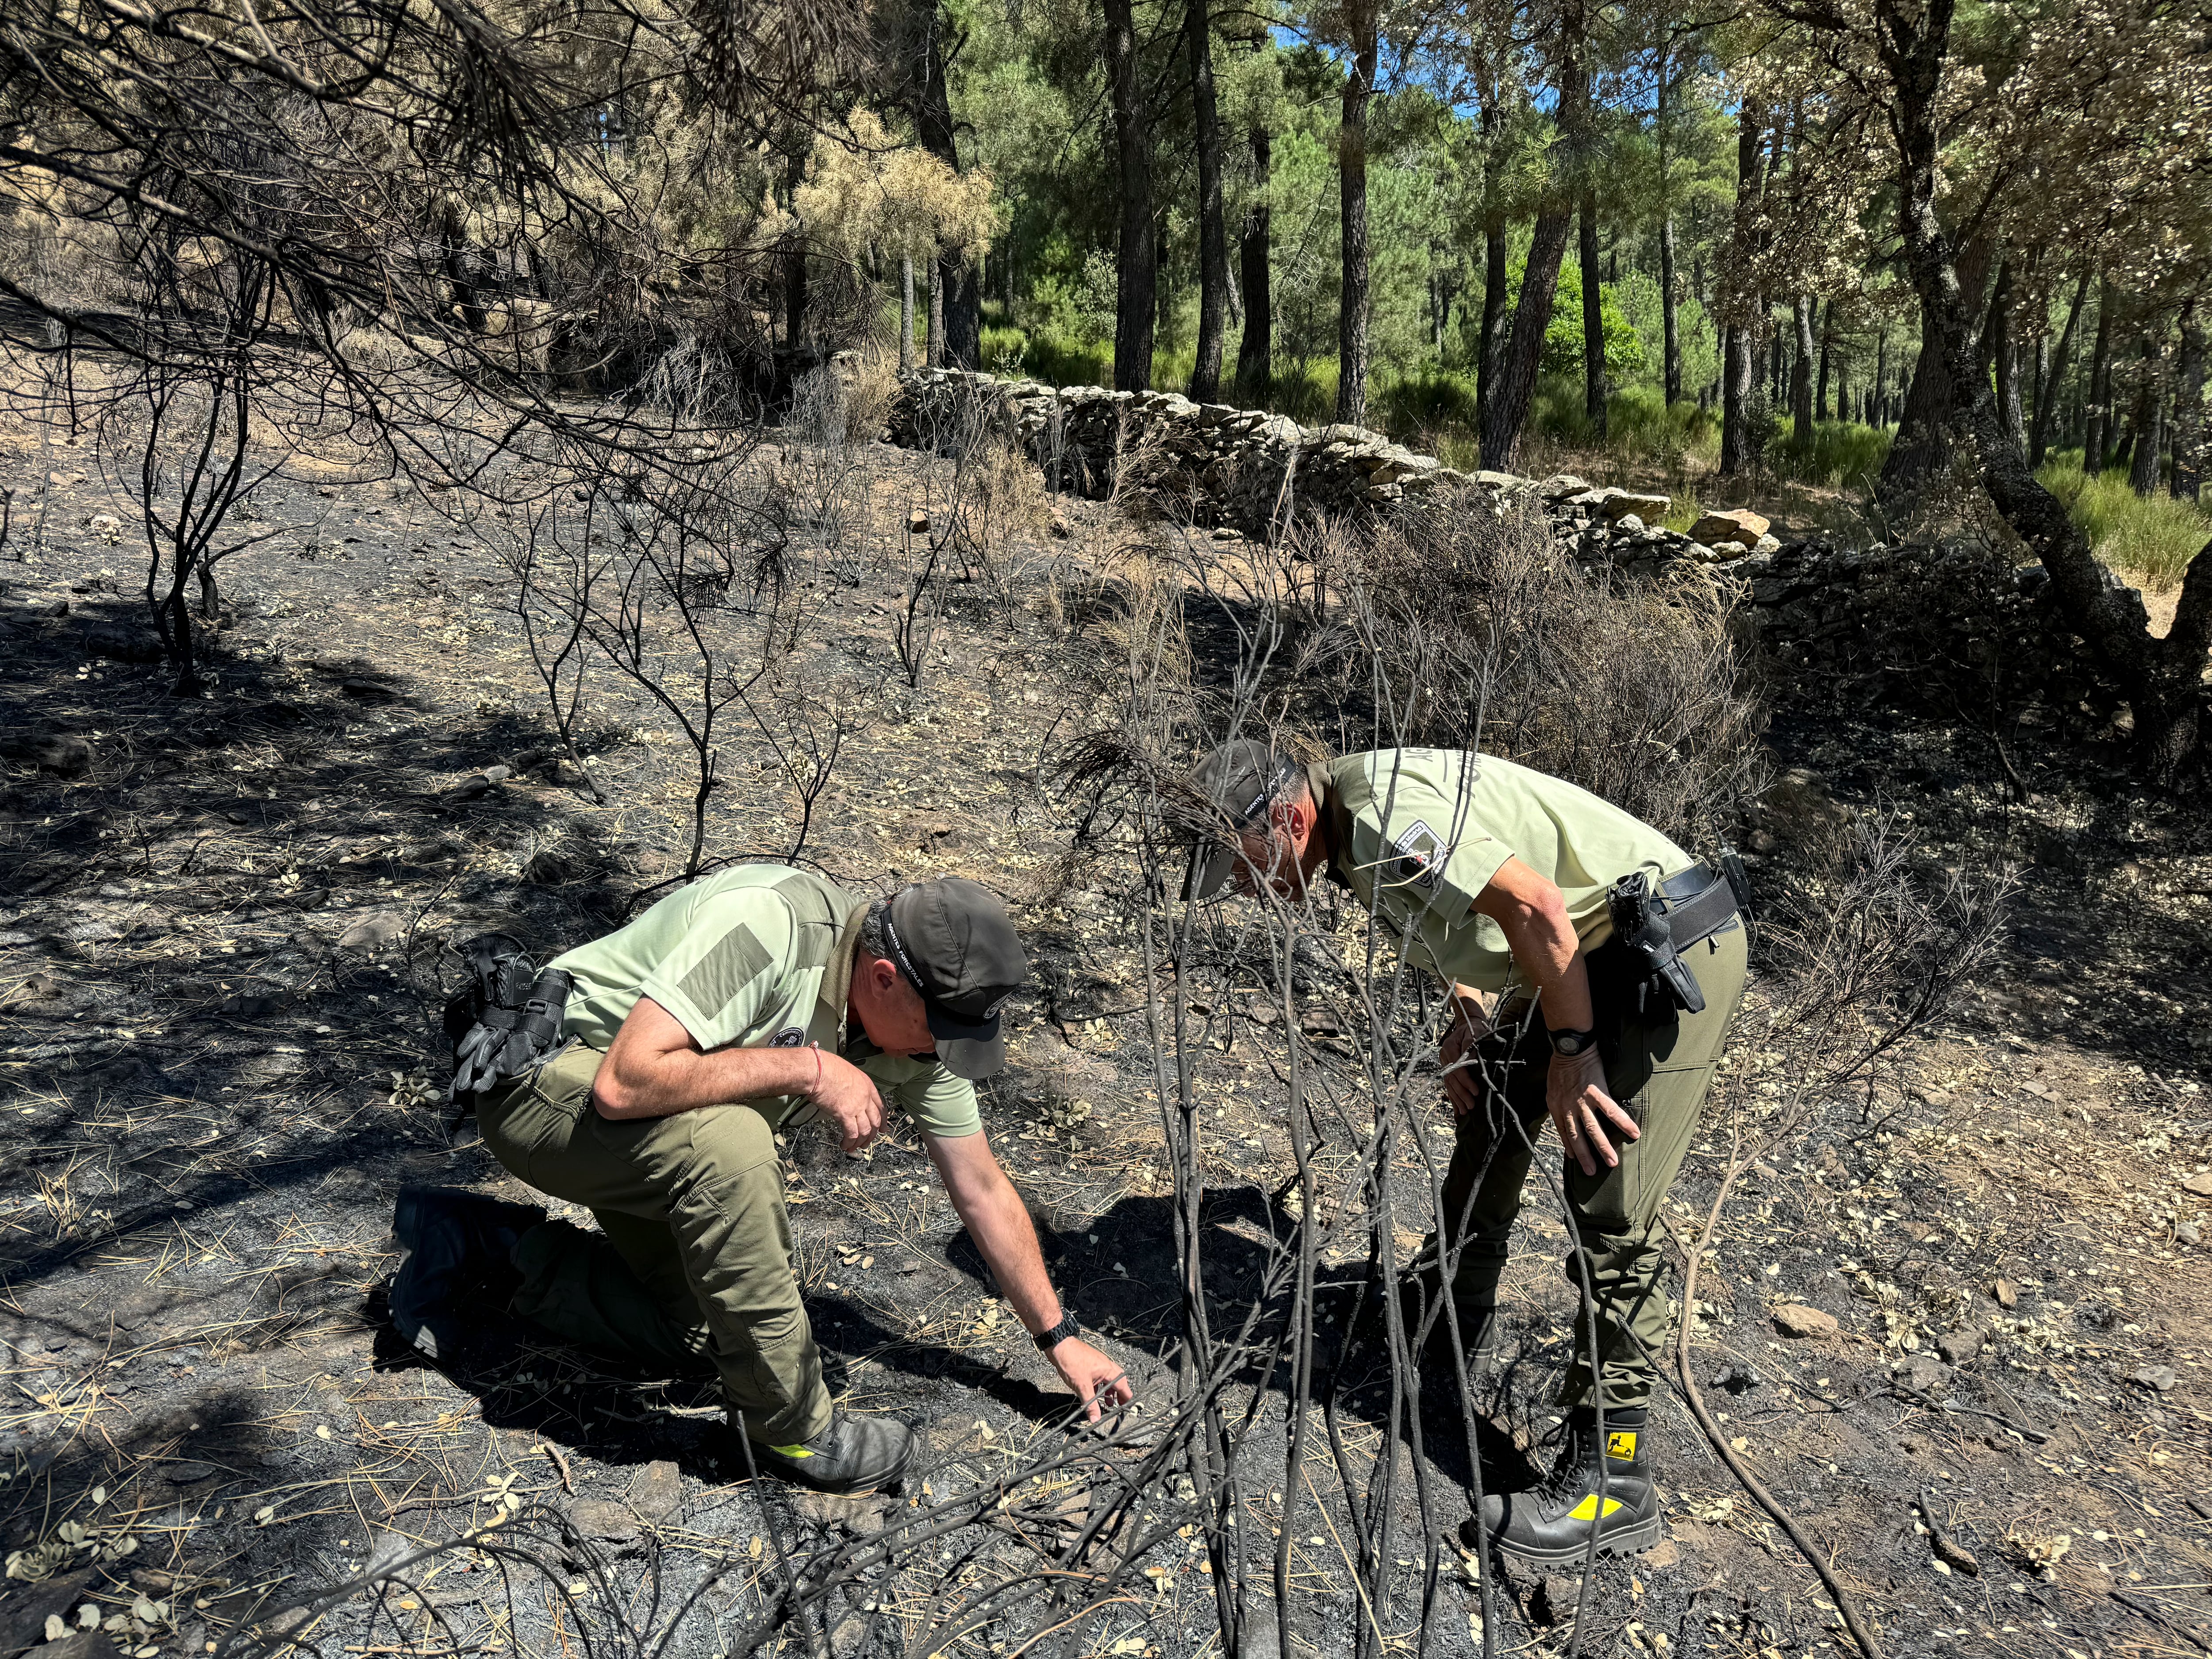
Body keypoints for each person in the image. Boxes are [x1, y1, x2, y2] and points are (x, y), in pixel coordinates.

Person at [389, 867, 1133, 1494]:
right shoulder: (771, 925)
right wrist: (809, 1067)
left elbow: (982, 1187)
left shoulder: (910, 1043)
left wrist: (1059, 1337)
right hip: (544, 1086)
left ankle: (479, 1246)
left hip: (644, 1136)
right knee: (735, 1140)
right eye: (946, 1033)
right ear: (885, 979)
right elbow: (625, 1083)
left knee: (704, 1328)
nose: (948, 1055)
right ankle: (793, 1432)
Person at [1183, 741, 1747, 1563]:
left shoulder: (1373, 815)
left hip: (1663, 952)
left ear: (1286, 818)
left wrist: (1575, 1050)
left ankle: (1615, 1478)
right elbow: (1478, 910)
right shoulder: (1351, 825)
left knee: (1609, 1194)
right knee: (1492, 1109)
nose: (1243, 887)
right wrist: (1471, 1008)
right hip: (1585, 955)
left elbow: (1539, 908)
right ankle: (1447, 1316)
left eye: (1241, 865)